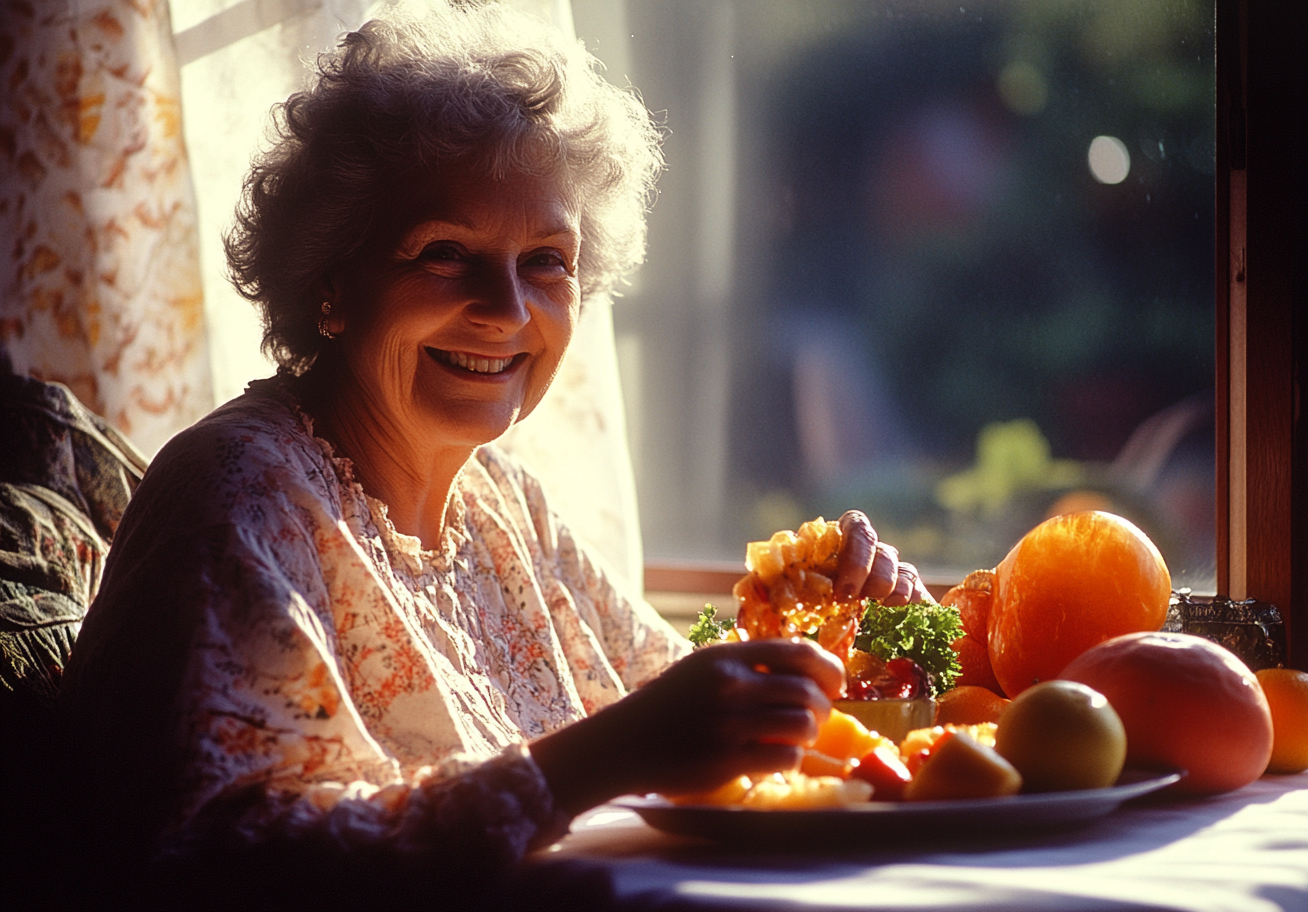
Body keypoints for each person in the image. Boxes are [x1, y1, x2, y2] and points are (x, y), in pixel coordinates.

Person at [59, 3, 931, 905]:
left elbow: (684, 711)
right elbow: (210, 859)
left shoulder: (505, 504)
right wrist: (594, 762)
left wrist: (840, 621)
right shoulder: (239, 495)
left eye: (547, 262)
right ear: (328, 282)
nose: (508, 311)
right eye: (446, 253)